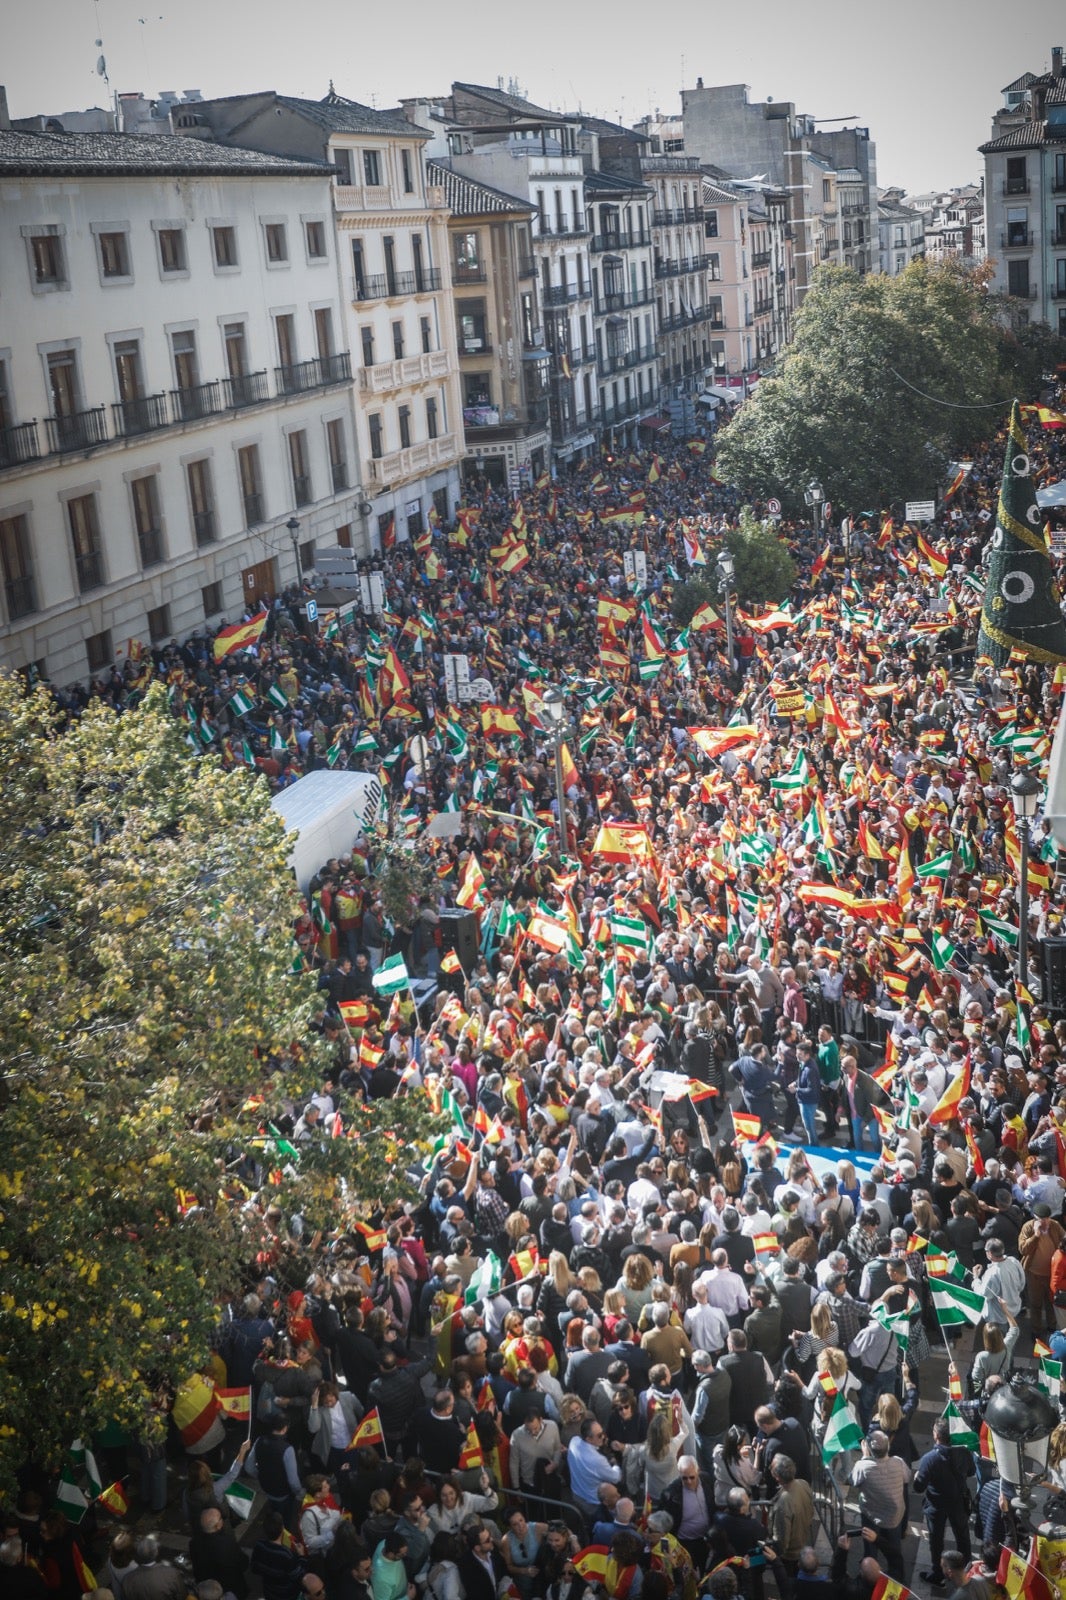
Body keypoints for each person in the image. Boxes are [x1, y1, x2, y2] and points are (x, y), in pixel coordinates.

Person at [914, 1417, 974, 1584]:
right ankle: (967, 1569)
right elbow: (971, 1471)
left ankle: (938, 1573)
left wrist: (917, 1477)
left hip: (936, 1505)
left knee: (936, 1539)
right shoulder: (963, 1451)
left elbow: (918, 1487)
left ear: (936, 1436)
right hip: (958, 1502)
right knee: (962, 1536)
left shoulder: (929, 1459)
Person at [849, 1431, 910, 1580]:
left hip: (871, 1516)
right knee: (894, 1547)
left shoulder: (863, 1466)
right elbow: (907, 1478)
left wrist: (864, 1457)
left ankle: (870, 1573)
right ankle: (896, 1575)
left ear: (869, 1448)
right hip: (894, 1517)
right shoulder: (898, 1462)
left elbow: (852, 1481)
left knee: (870, 1545)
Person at [768, 1455, 814, 1586]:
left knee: (789, 1583)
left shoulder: (784, 1503)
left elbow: (782, 1538)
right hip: (802, 1542)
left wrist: (777, 1555)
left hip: (790, 1555)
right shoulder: (803, 1483)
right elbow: (811, 1511)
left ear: (777, 1477)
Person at [567, 1415, 622, 1519]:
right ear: (588, 1439)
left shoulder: (574, 1441)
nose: (604, 1437)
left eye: (603, 1433)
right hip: (592, 1503)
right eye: (599, 1435)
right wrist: (614, 1463)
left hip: (576, 1494)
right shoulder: (597, 1460)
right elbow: (616, 1477)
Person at [189, 1508, 250, 1599]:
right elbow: (243, 1563)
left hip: (208, 1589)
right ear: (217, 1526)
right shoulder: (227, 1543)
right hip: (231, 1587)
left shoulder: (194, 1543)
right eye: (221, 1518)